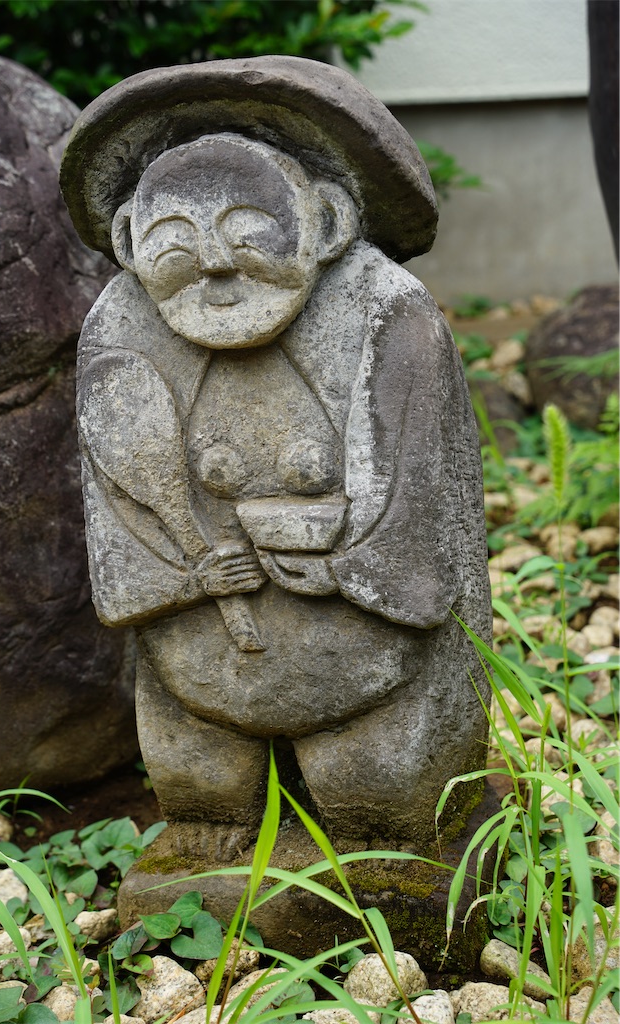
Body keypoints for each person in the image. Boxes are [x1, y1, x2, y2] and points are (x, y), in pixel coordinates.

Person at [62, 57, 491, 853]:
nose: (216, 265)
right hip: (200, 665)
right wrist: (191, 579)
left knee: (382, 800)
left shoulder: (383, 312)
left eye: (247, 234)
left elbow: (419, 510)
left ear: (325, 223)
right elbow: (120, 528)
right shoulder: (120, 328)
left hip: (369, 659)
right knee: (199, 787)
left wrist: (342, 565)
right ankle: (209, 829)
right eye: (174, 244)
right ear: (128, 243)